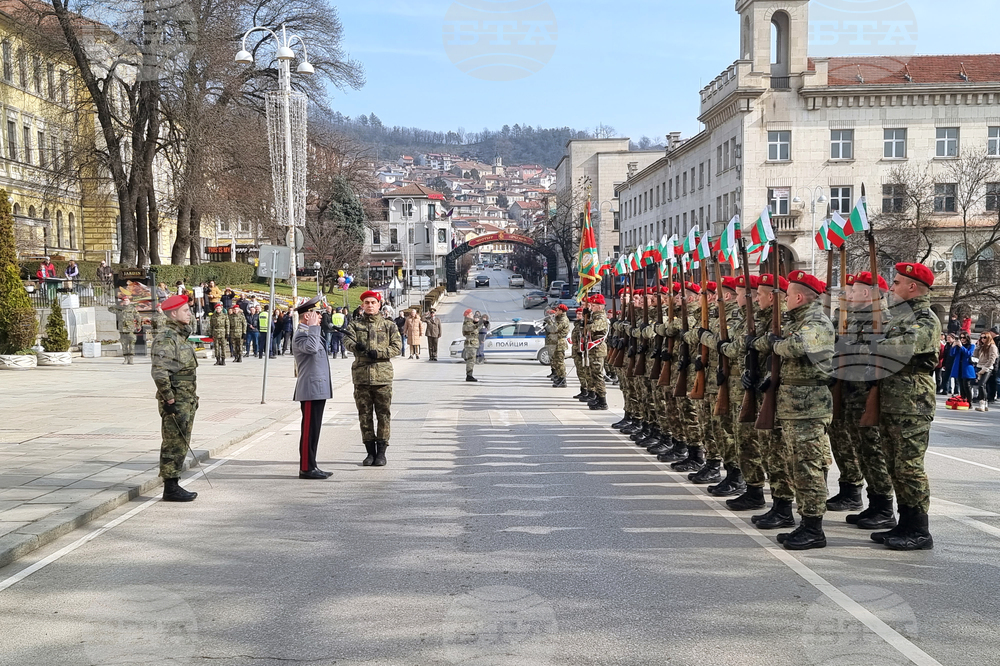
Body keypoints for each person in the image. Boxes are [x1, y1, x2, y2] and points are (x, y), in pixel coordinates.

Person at [760, 271, 836, 550]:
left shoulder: (816, 322)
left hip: (810, 407)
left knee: (809, 468)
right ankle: (805, 523)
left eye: (789, 295)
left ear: (800, 297)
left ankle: (814, 528)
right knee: (797, 466)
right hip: (794, 406)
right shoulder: (799, 320)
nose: (785, 300)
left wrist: (775, 344)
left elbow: (797, 345)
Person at [870, 263, 941, 550]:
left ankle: (919, 530)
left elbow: (902, 347)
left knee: (909, 466)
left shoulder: (925, 318)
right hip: (892, 399)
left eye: (897, 282)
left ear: (912, 287)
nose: (892, 287)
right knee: (894, 465)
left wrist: (875, 343)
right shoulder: (899, 317)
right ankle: (904, 522)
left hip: (912, 402)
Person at [151, 294, 200, 502]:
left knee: (182, 441)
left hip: (186, 398)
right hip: (176, 400)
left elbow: (184, 371)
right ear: (173, 313)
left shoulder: (180, 336)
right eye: (185, 311)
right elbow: (160, 372)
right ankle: (170, 487)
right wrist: (169, 399)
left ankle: (174, 482)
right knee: (173, 442)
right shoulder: (167, 338)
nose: (189, 314)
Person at [344, 291, 402, 466]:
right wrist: (357, 346)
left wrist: (379, 353)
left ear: (379, 305)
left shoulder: (388, 325)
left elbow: (397, 346)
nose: (370, 305)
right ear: (362, 306)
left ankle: (382, 452)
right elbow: (346, 342)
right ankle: (370, 452)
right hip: (361, 377)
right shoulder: (354, 325)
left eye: (373, 302)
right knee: (364, 415)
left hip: (382, 377)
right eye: (366, 302)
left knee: (383, 415)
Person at [292, 296, 334, 479]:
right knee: (308, 430)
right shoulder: (302, 334)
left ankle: (312, 464)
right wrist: (313, 327)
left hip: (318, 389)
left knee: (314, 429)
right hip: (310, 389)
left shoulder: (309, 333)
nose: (319, 317)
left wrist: (315, 328)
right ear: (306, 316)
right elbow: (311, 348)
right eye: (315, 314)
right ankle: (306, 468)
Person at [110, 295, 141, 365]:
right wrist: (119, 303)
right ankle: (126, 359)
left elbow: (138, 317)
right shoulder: (120, 309)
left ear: (129, 301)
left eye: (127, 300)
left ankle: (131, 359)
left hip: (130, 329)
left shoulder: (132, 309)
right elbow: (110, 308)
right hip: (122, 330)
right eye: (124, 301)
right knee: (124, 345)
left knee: (131, 345)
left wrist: (138, 326)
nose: (126, 302)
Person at [948, 332, 976, 404]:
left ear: (967, 338)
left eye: (964, 338)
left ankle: (970, 401)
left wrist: (961, 346)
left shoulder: (971, 345)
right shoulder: (958, 346)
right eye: (961, 338)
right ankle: (963, 399)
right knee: (961, 384)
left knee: (966, 385)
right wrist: (953, 346)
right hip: (958, 367)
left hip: (966, 367)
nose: (962, 339)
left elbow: (968, 354)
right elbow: (952, 354)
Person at [974, 331, 997, 411]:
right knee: (981, 385)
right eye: (981, 337)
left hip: (987, 367)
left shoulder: (992, 346)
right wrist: (978, 346)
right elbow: (975, 355)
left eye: (985, 337)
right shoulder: (982, 346)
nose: (983, 339)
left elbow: (992, 359)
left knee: (982, 384)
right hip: (979, 366)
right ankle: (985, 402)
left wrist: (985, 367)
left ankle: (982, 403)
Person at [548, 305, 570, 388]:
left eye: (557, 310)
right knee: (556, 362)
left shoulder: (563, 320)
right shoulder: (558, 318)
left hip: (560, 343)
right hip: (556, 342)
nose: (555, 312)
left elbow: (555, 329)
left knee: (560, 363)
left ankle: (563, 379)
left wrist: (550, 322)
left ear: (561, 311)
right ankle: (559, 377)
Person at [462, 309, 479, 382]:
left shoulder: (471, 322)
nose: (472, 315)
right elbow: (471, 328)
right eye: (471, 314)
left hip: (472, 343)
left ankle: (470, 374)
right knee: (471, 360)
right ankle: (469, 376)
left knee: (472, 360)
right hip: (470, 344)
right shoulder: (467, 323)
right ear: (468, 315)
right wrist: (478, 324)